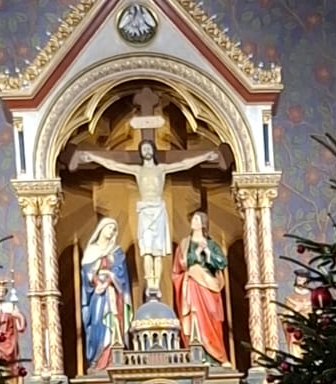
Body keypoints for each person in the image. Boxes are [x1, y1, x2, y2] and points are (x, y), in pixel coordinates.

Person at [69, 139, 223, 300]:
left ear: (153, 151)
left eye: (149, 148)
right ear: (141, 153)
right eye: (144, 149)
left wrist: (205, 156)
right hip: (145, 211)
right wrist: (94, 157)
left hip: (158, 210)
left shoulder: (161, 169)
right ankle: (150, 284)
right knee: (147, 250)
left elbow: (184, 164)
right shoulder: (138, 170)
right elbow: (114, 165)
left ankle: (156, 284)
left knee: (158, 251)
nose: (147, 151)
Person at [172, 209, 229, 364]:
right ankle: (198, 356)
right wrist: (197, 252)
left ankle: (216, 356)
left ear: (203, 224)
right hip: (192, 285)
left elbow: (222, 262)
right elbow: (180, 265)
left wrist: (208, 253)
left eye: (197, 219)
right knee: (194, 316)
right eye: (193, 219)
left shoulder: (212, 244)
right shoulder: (185, 244)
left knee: (211, 316)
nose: (194, 222)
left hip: (209, 286)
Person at [80, 217, 132, 370]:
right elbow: (87, 273)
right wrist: (96, 281)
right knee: (98, 321)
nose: (112, 231)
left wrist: (109, 278)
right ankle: (98, 360)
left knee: (114, 321)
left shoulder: (116, 251)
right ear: (101, 229)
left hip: (113, 293)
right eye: (109, 227)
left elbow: (121, 274)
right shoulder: (92, 250)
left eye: (114, 229)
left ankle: (114, 359)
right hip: (98, 294)